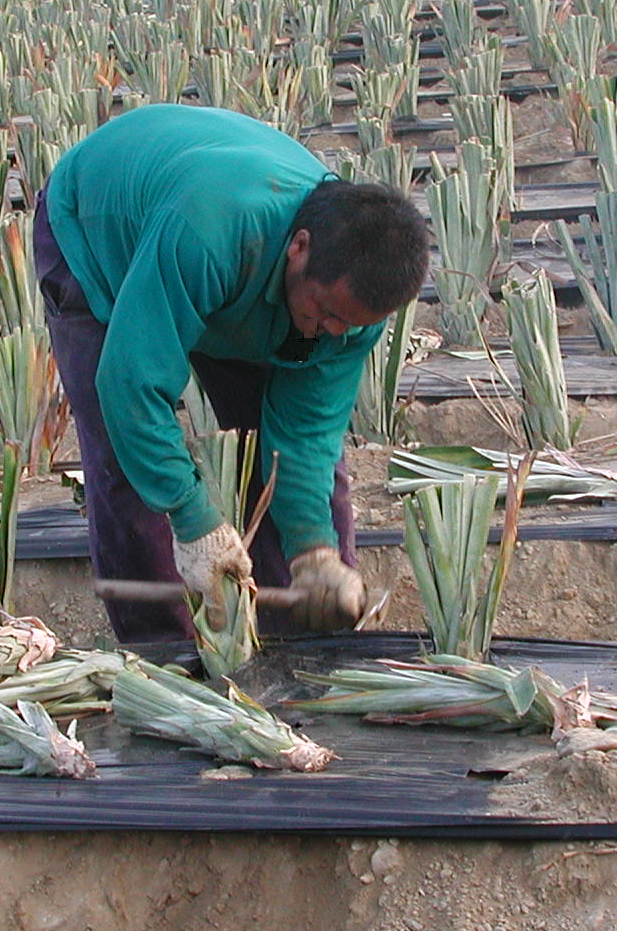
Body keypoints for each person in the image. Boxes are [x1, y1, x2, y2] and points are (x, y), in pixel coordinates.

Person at [33, 103, 431, 642]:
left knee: (280, 461)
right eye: (327, 313)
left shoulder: (348, 313)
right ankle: (166, 658)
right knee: (127, 462)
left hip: (229, 272)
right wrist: (192, 519)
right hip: (100, 236)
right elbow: (130, 387)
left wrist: (314, 548)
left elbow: (306, 434)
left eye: (351, 324)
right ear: (299, 248)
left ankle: (302, 639)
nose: (334, 332)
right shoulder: (210, 230)